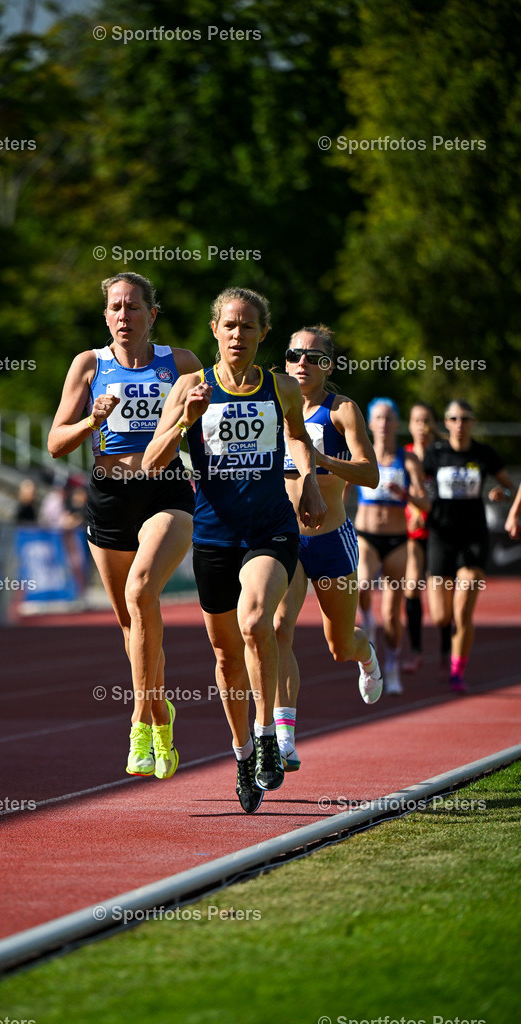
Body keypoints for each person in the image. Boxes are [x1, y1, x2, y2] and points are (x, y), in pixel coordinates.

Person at [143, 287, 326, 813]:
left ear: (263, 333)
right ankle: (243, 752)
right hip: (213, 535)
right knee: (226, 655)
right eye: (229, 325)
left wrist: (309, 482)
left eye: (248, 326)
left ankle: (268, 734)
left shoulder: (282, 388)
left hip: (270, 529)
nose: (238, 335)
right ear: (214, 331)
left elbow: (297, 437)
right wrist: (183, 421)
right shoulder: (189, 386)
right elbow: (154, 464)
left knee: (254, 621)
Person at [47, 272, 201, 779]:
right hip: (109, 498)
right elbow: (56, 442)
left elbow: (209, 435)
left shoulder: (180, 364)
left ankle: (139, 724)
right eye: (115, 307)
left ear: (152, 315)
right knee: (131, 623)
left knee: (141, 595)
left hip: (166, 493)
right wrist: (92, 421)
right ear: (105, 315)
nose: (123, 316)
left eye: (133, 308)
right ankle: (162, 713)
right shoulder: (88, 365)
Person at [272, 325, 382, 774]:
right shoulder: (272, 405)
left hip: (332, 541)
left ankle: (367, 654)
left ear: (328, 365)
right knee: (278, 625)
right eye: (295, 354)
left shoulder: (341, 411)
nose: (302, 363)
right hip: (285, 539)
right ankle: (283, 736)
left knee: (339, 646)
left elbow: (370, 474)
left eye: (313, 357)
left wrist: (321, 461)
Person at [423, 400, 514, 692]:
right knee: (441, 616)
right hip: (440, 536)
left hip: (474, 537)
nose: (459, 423)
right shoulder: (435, 454)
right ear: (446, 423)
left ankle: (457, 672)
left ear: (472, 422)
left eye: (465, 418)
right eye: (453, 418)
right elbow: (419, 485)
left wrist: (503, 492)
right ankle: (445, 646)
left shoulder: (484, 453)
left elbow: (509, 485)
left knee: (463, 612)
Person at [355, 399, 429, 695]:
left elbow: (426, 504)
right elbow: (340, 488)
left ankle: (392, 665)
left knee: (392, 614)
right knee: (360, 584)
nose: (383, 423)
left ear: (396, 424)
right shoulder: (362, 455)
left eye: (388, 418)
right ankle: (366, 620)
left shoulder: (408, 460)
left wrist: (407, 494)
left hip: (398, 541)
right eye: (378, 418)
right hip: (366, 535)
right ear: (370, 424)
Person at [402, 403, 447, 674]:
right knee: (410, 587)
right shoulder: (404, 455)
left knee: (440, 596)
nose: (421, 426)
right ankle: (416, 651)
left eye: (426, 420)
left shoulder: (442, 455)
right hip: (411, 532)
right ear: (409, 425)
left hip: (440, 531)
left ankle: (445, 649)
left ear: (434, 424)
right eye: (416, 420)